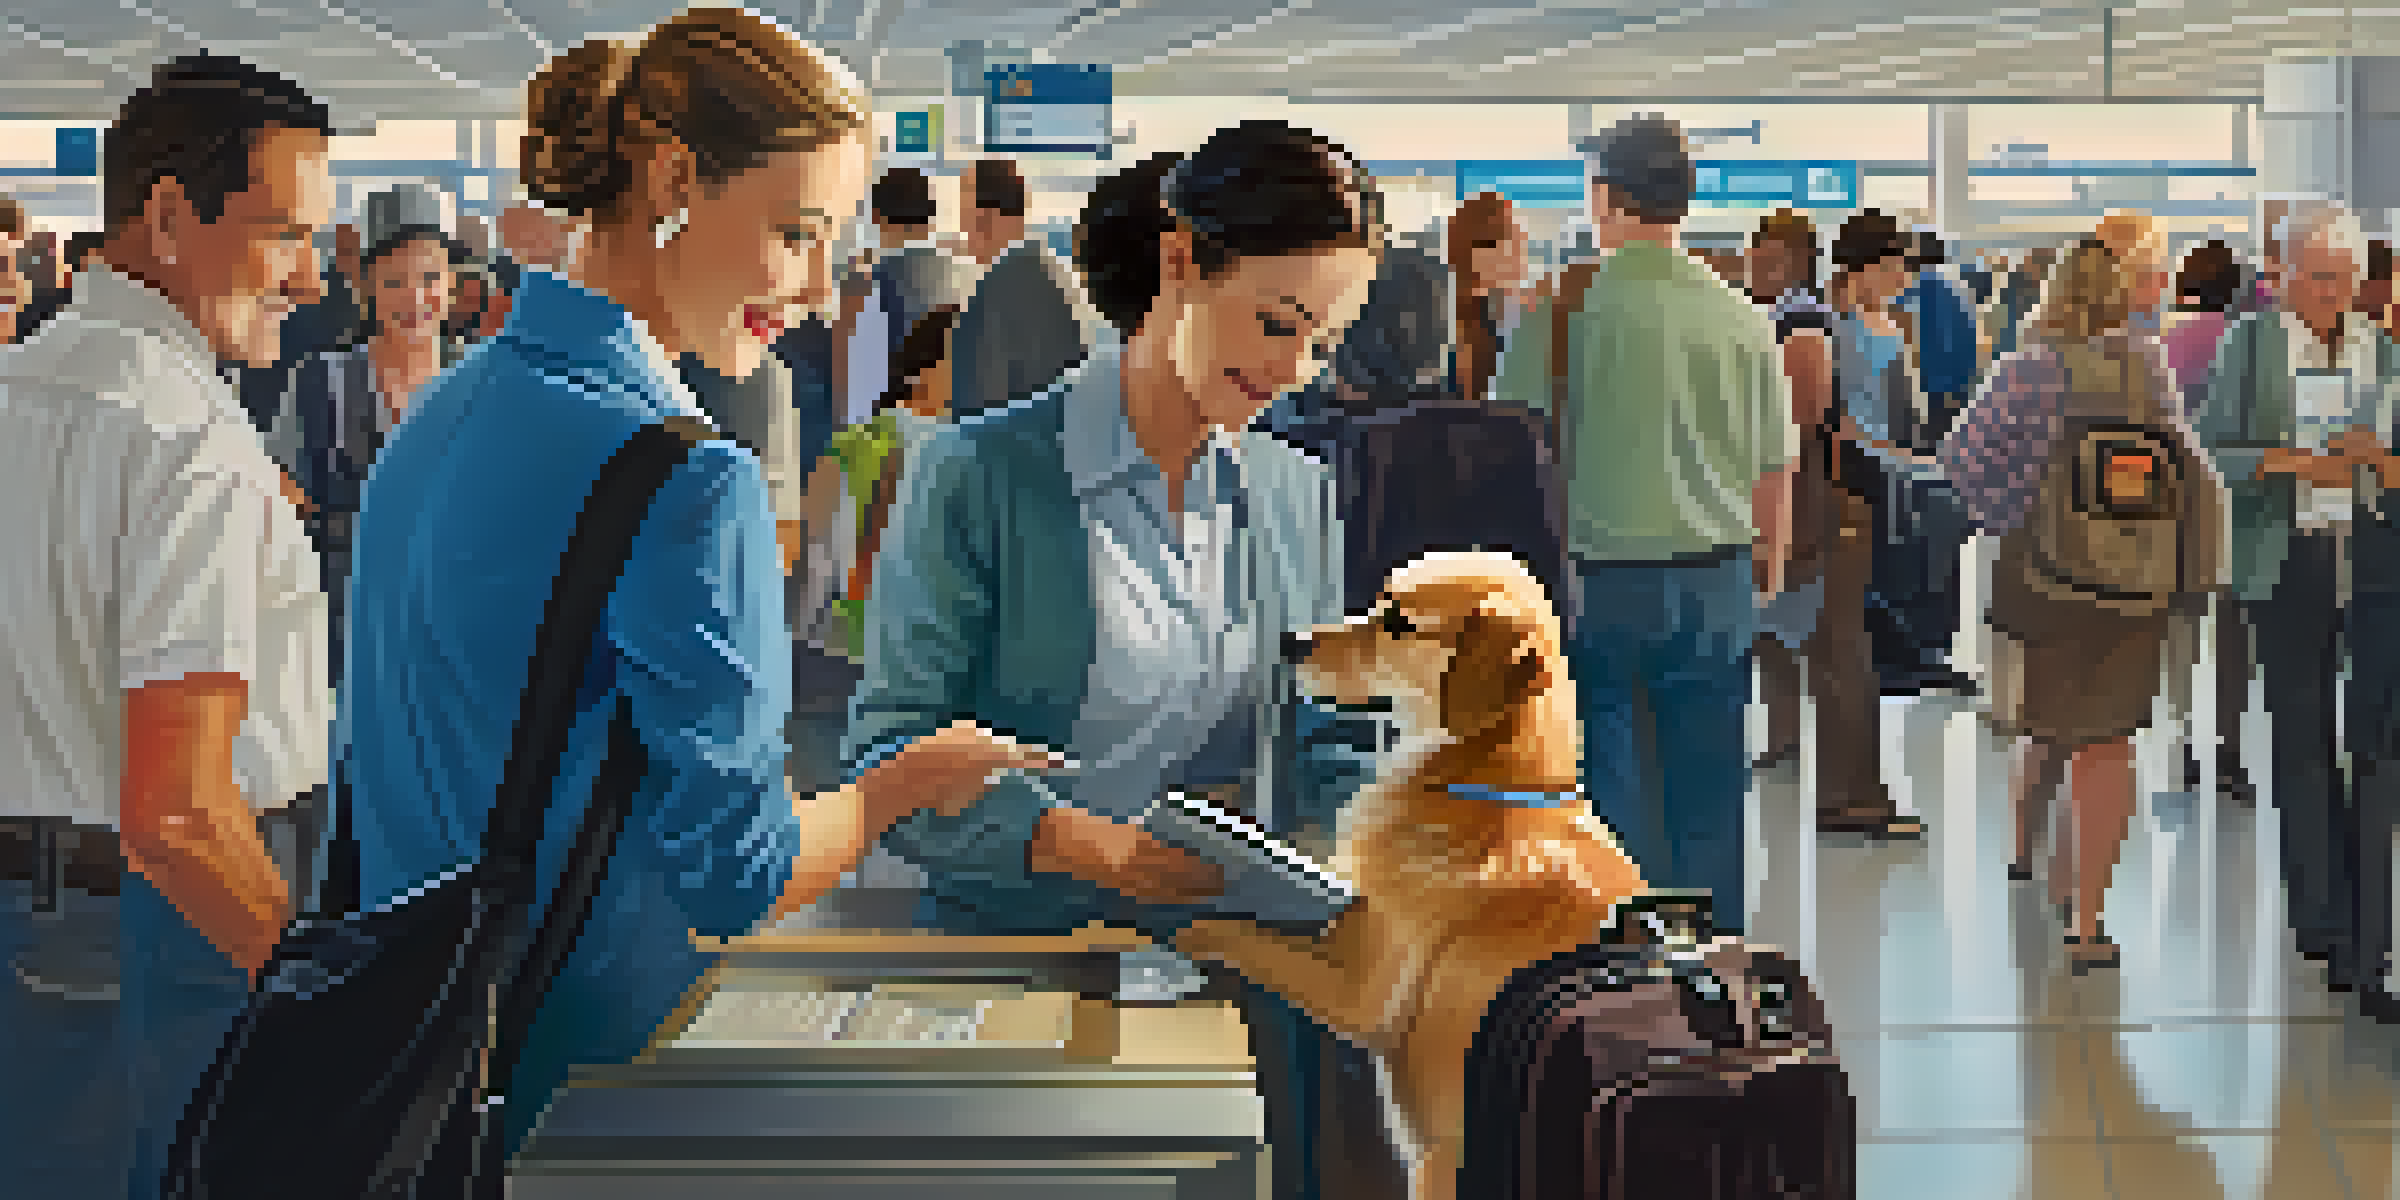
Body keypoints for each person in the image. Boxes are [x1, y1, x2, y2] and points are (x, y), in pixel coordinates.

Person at [338, 9, 1060, 1163]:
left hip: (415, 1066)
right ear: (675, 177)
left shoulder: (439, 419)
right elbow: (741, 876)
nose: (822, 289)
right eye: (796, 233)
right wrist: (903, 783)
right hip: (597, 1090)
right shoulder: (689, 483)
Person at [843, 121, 1385, 1200]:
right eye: (1276, 323)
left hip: (1231, 988)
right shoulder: (976, 477)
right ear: (1179, 260)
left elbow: (1329, 727)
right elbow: (890, 752)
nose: (1290, 370)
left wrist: (1369, 835)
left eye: (1321, 344)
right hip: (1023, 977)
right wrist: (1065, 841)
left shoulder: (1292, 497)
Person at [0, 55, 337, 1199]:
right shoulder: (184, 436)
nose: (308, 277)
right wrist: (314, 996)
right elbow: (182, 813)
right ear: (166, 216)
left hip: (32, 929)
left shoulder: (23, 385)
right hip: (162, 936)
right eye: (283, 234)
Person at [1491, 114, 1795, 932]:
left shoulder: (1560, 310)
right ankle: (1712, 960)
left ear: (1607, 200)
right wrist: (1767, 566)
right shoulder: (1740, 317)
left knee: (1606, 789)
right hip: (1718, 576)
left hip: (1596, 581)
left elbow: (1510, 446)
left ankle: (1623, 971)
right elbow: (1775, 466)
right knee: (1711, 789)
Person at [1943, 238, 2224, 969]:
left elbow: (1961, 456)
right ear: (2127, 294)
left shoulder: (2030, 368)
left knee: (2047, 722)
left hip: (2047, 580)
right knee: (2109, 741)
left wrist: (2012, 513)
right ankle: (2087, 923)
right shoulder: (2148, 367)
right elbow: (2183, 464)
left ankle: (2021, 850)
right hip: (2136, 580)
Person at [2196, 205, 2400, 1001]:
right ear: (2282, 277)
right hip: (2285, 558)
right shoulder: (2251, 344)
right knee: (2301, 730)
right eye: (2318, 277)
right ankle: (2319, 914)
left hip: (2368, 559)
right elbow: (2214, 445)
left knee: (2369, 742)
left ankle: (2364, 914)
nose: (2332, 294)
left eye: (2345, 279)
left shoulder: (2377, 347)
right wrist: (2288, 463)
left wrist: (2372, 461)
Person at [263, 183, 471, 688]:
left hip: (455, 644)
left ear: (452, 282)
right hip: (340, 645)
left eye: (429, 278)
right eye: (395, 281)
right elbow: (276, 501)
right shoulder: (321, 384)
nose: (416, 298)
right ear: (366, 284)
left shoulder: (483, 385)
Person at [1746, 210, 1912, 837]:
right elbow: (1813, 416)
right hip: (1824, 494)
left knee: (1798, 629)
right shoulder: (1808, 320)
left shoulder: (1794, 317)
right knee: (1839, 646)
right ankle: (1850, 796)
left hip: (1799, 494)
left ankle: (1802, 753)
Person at [949, 157, 1091, 419]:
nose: (964, 237)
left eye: (964, 221)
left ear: (984, 220)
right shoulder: (1063, 279)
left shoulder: (986, 299)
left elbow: (969, 417)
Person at [839, 167, 969, 427]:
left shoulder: (862, 285)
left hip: (884, 434)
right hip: (953, 430)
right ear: (931, 218)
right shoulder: (967, 276)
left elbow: (850, 389)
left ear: (876, 217)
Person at [1447, 188, 1529, 406]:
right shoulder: (1455, 330)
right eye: (1511, 236)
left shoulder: (1511, 313)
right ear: (1477, 251)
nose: (1522, 252)